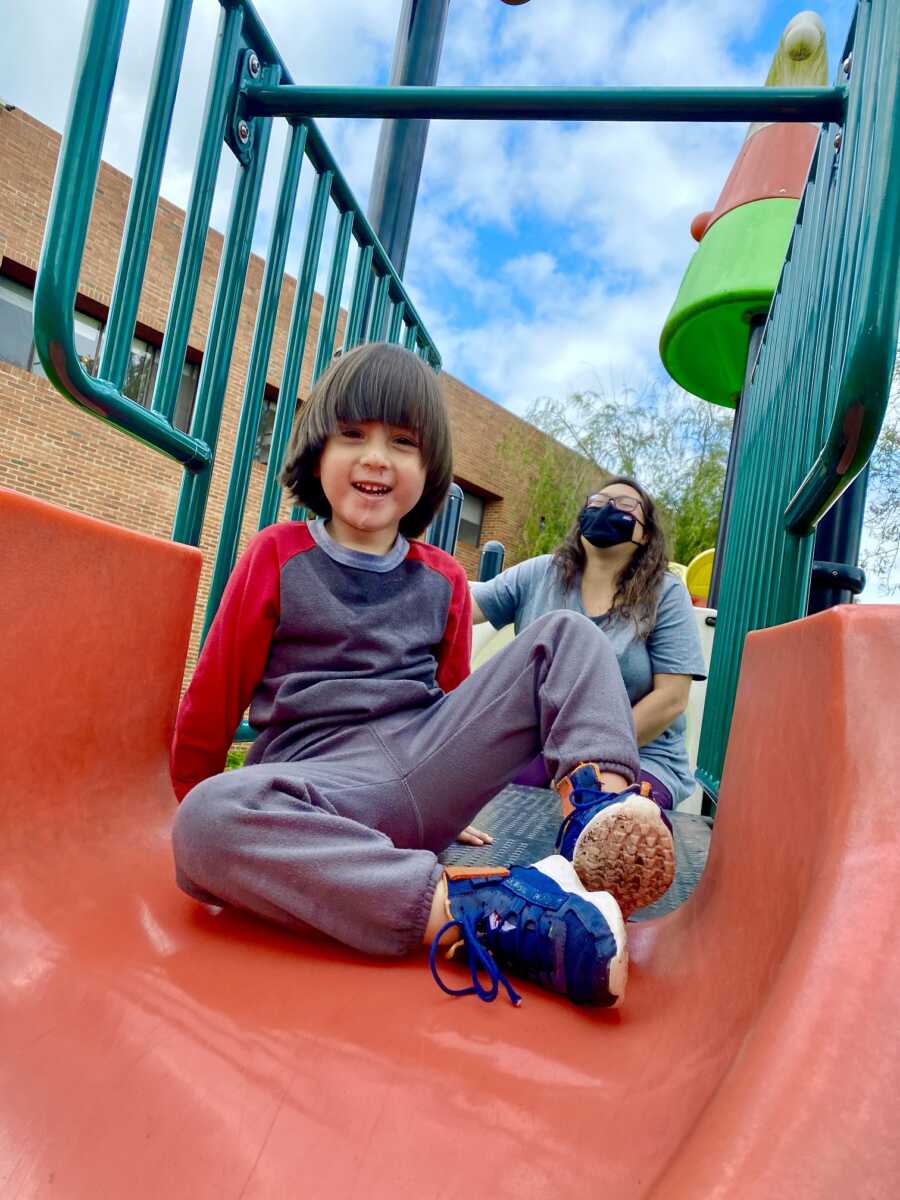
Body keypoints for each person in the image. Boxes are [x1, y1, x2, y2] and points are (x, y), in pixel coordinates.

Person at [171, 343, 654, 1009]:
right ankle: (498, 914)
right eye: (353, 435)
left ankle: (598, 819)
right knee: (205, 819)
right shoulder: (276, 555)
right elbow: (214, 694)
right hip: (325, 788)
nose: (376, 457)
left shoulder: (444, 576)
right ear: (318, 453)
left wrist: (452, 804)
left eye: (402, 442)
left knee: (567, 635)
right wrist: (184, 802)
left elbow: (455, 701)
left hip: (422, 753)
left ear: (429, 471)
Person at [471, 478, 708, 914]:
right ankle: (501, 903)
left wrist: (585, 754)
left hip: (640, 755)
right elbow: (464, 605)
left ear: (645, 534)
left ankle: (584, 915)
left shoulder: (663, 594)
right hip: (542, 749)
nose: (606, 509)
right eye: (597, 502)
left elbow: (671, 699)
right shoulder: (541, 573)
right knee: (498, 813)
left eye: (623, 505)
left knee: (613, 835)